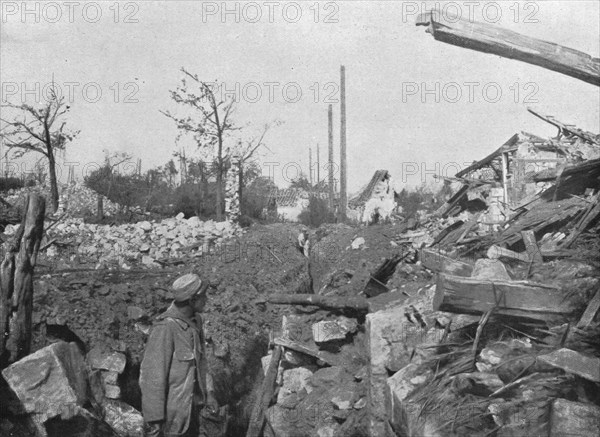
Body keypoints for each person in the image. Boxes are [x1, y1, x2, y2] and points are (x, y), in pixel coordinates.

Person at [139, 273, 218, 437]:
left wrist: (209, 394)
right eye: (203, 296)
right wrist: (154, 421)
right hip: (173, 420)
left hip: (195, 413)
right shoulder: (165, 327)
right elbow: (152, 378)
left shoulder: (196, 321)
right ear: (192, 300)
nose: (207, 299)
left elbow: (202, 363)